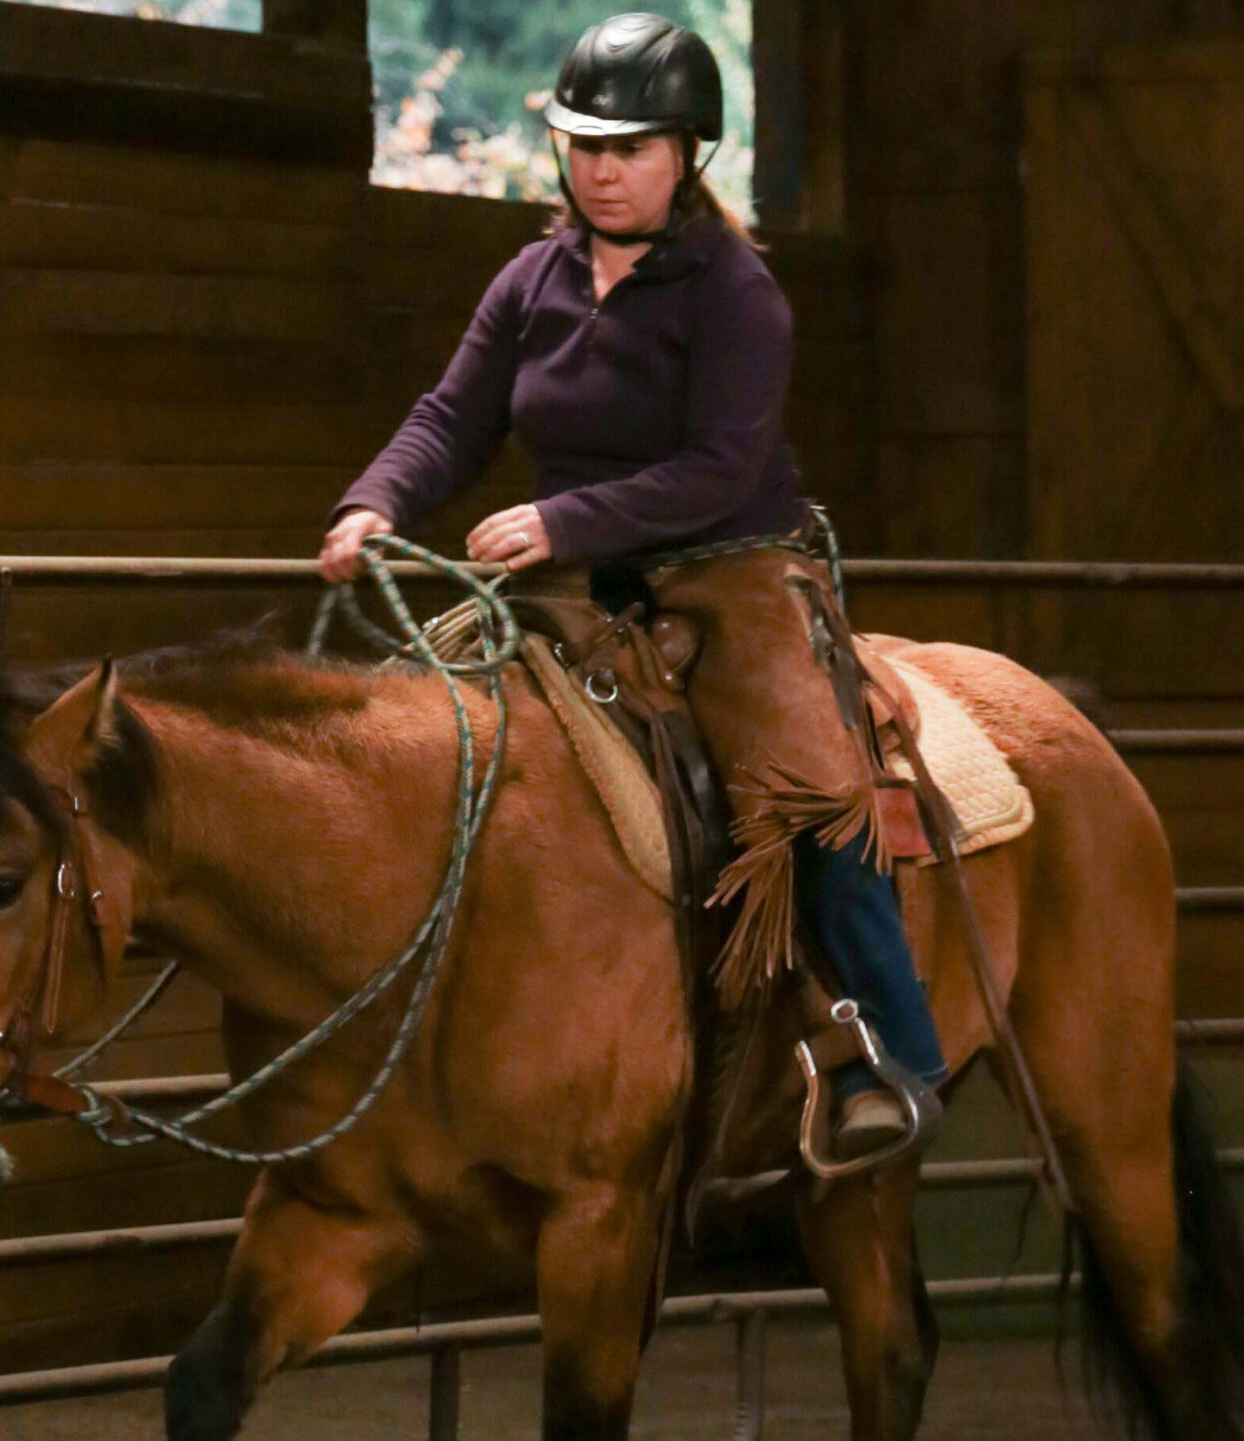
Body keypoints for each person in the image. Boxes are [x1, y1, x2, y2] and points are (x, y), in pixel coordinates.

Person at [318, 11, 945, 1161]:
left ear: (687, 156)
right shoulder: (532, 279)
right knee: (423, 721)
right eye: (585, 147)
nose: (603, 171)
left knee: (813, 786)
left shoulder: (738, 294)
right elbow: (454, 415)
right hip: (577, 580)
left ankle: (891, 1055)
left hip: (731, 564)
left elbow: (721, 469)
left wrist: (562, 514)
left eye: (633, 149)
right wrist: (376, 504)